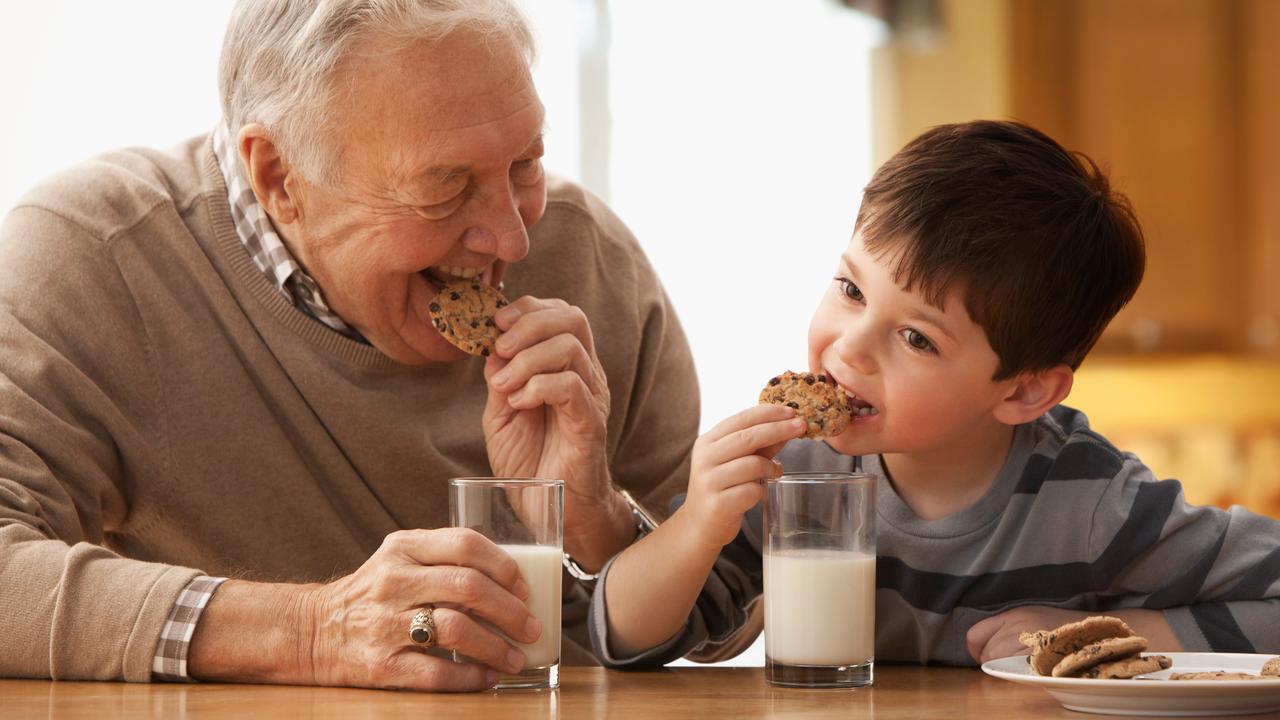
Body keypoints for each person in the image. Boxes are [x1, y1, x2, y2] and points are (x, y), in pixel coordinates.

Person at [0, 0, 698, 691]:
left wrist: (594, 519)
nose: (513, 238)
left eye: (525, 162)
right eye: (445, 188)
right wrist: (310, 631)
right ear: (278, 177)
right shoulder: (98, 259)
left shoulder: (589, 262)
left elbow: (720, 614)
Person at [589, 120, 1280, 668]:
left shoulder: (1092, 501)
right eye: (852, 290)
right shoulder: (793, 471)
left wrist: (1114, 632)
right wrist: (697, 524)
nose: (851, 347)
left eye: (917, 339)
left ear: (1025, 391)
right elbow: (629, 640)